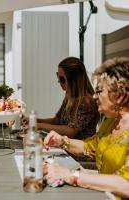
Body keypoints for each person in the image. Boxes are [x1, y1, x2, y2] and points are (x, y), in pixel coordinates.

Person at [43, 57, 129, 199]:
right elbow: (88, 146)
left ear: (119, 96)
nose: (94, 96)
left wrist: (70, 175)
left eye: (99, 91)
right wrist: (61, 141)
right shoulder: (111, 122)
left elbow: (126, 184)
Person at [24, 57, 99, 139]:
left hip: (79, 150)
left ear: (73, 80)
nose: (59, 81)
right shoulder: (70, 96)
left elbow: (70, 131)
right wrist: (34, 121)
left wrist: (39, 126)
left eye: (62, 79)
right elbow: (57, 121)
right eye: (58, 77)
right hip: (66, 147)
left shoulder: (86, 102)